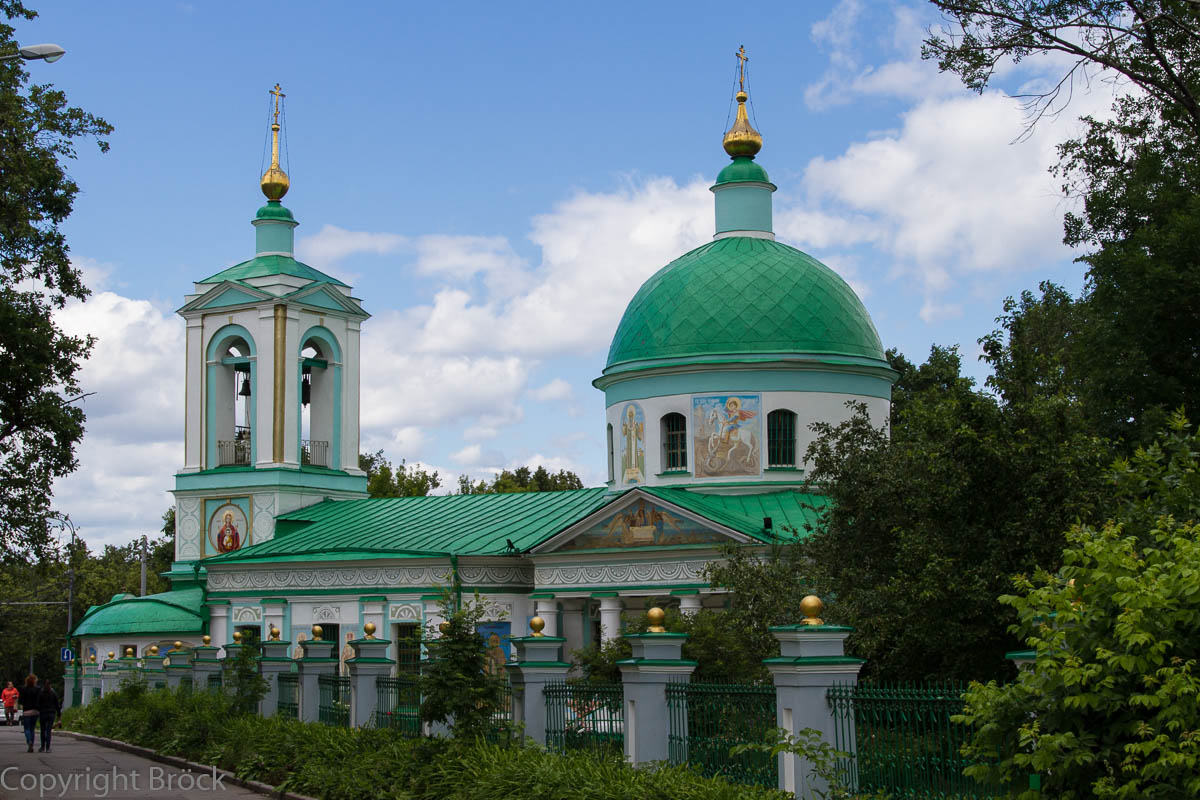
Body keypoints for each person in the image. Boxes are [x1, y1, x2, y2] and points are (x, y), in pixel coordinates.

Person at [35, 679, 60, 753]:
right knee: (48, 731)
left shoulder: (41, 693)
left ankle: (42, 747)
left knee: (42, 730)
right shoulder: (53, 693)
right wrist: (59, 715)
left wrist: (39, 710)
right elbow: (57, 705)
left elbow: (37, 704)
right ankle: (48, 748)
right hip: (51, 713)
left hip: (43, 713)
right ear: (50, 685)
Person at [17, 675, 39, 753]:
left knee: (27, 728)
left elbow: (21, 701)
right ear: (34, 681)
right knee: (32, 729)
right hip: (35, 711)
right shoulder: (38, 689)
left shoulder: (23, 689)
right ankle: (32, 744)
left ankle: (29, 741)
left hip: (26, 711)